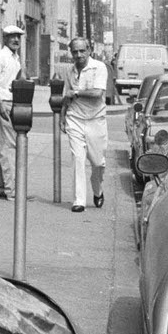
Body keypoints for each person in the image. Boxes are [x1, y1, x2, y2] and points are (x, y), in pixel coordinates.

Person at [62, 36, 109, 212]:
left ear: (89, 50)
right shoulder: (69, 71)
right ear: (71, 53)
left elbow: (97, 93)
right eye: (75, 51)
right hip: (74, 118)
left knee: (98, 163)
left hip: (95, 120)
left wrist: (76, 92)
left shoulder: (99, 67)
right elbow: (67, 95)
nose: (79, 55)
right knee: (77, 159)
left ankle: (97, 189)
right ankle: (79, 200)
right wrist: (62, 116)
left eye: (82, 51)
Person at [0, 24, 25, 199]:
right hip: (2, 103)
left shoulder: (15, 58)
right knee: (8, 148)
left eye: (18, 36)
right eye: (12, 36)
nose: (16, 39)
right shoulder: (0, 57)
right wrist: (0, 104)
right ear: (5, 38)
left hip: (12, 102)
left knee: (5, 146)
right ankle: (12, 191)